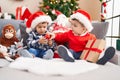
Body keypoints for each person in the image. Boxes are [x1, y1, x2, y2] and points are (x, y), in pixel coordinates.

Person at [51, 9, 115, 65]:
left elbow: (96, 46)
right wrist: (54, 35)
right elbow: (61, 36)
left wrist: (100, 50)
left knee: (96, 52)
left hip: (86, 55)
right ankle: (68, 56)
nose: (71, 27)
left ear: (84, 28)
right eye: (71, 24)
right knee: (70, 51)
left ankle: (102, 57)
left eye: (75, 25)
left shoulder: (90, 36)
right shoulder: (69, 33)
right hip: (75, 53)